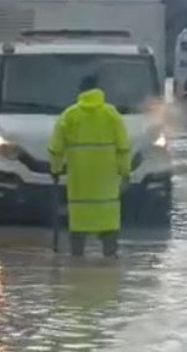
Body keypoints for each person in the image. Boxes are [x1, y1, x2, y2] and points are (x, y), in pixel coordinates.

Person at [48, 74, 131, 257]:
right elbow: (123, 148)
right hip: (107, 191)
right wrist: (125, 172)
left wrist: (55, 170)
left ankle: (77, 265)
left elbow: (55, 149)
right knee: (109, 233)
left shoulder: (69, 116)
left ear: (80, 91)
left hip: (79, 189)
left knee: (78, 232)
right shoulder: (112, 115)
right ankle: (109, 264)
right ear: (100, 90)